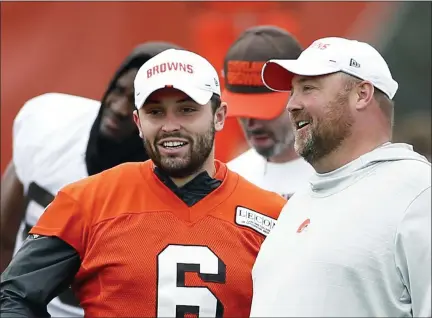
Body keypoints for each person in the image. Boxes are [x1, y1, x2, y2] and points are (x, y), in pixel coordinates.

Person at [0, 48, 286, 317]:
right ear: (138, 122)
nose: (170, 125)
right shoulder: (87, 201)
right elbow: (14, 296)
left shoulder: (272, 214)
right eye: (155, 111)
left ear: (219, 116)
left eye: (187, 110)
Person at [250, 37, 431, 317]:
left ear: (361, 95)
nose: (291, 105)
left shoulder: (418, 191)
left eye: (308, 88)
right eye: (292, 92)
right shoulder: (298, 204)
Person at [0, 41, 182, 317]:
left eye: (136, 102)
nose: (120, 108)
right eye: (118, 91)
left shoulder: (176, 175)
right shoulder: (50, 125)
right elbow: (3, 231)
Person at [223, 26, 314, 199]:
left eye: (263, 111)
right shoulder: (228, 183)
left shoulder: (348, 175)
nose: (252, 124)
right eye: (242, 111)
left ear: (300, 93)